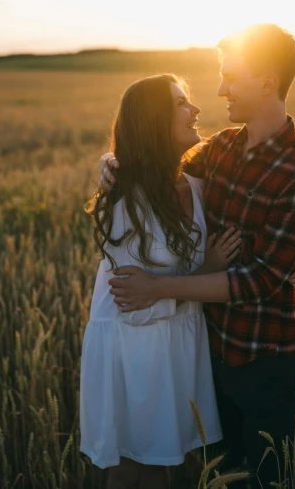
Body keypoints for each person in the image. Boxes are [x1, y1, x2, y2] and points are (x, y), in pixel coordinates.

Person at [99, 24, 295, 488]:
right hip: (204, 353)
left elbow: (256, 281)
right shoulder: (221, 148)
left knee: (267, 480)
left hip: (263, 359)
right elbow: (158, 163)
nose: (220, 89)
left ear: (266, 82)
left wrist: (156, 289)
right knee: (216, 476)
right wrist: (113, 165)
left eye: (231, 76)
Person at [80, 74, 246, 489]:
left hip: (175, 341)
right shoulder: (124, 200)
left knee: (161, 464)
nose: (195, 110)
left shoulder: (196, 186)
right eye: (180, 103)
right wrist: (206, 270)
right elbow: (132, 303)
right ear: (153, 121)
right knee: (136, 468)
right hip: (136, 348)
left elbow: (158, 284)